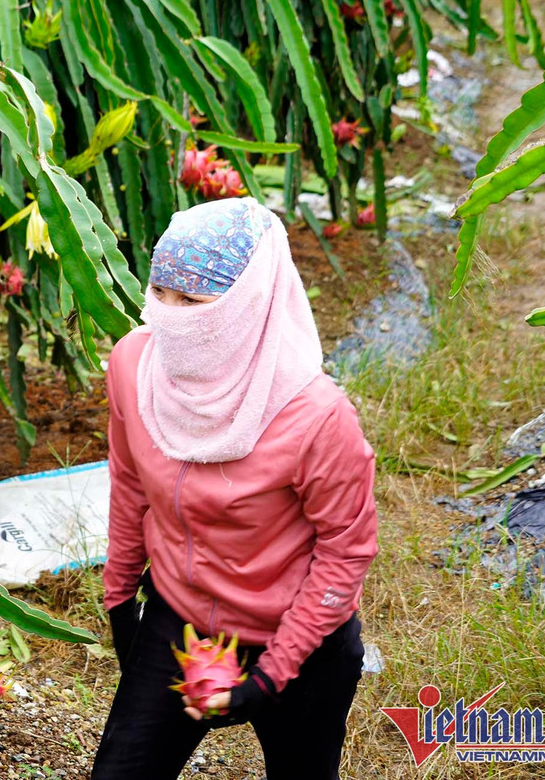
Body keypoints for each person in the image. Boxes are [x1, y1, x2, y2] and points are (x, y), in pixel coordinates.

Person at [91, 197, 379, 780]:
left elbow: (344, 550)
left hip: (301, 645)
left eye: (194, 301)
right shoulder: (133, 365)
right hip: (180, 620)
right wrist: (121, 597)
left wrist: (275, 672)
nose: (169, 317)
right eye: (160, 294)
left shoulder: (316, 416)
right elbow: (129, 483)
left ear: (248, 305)